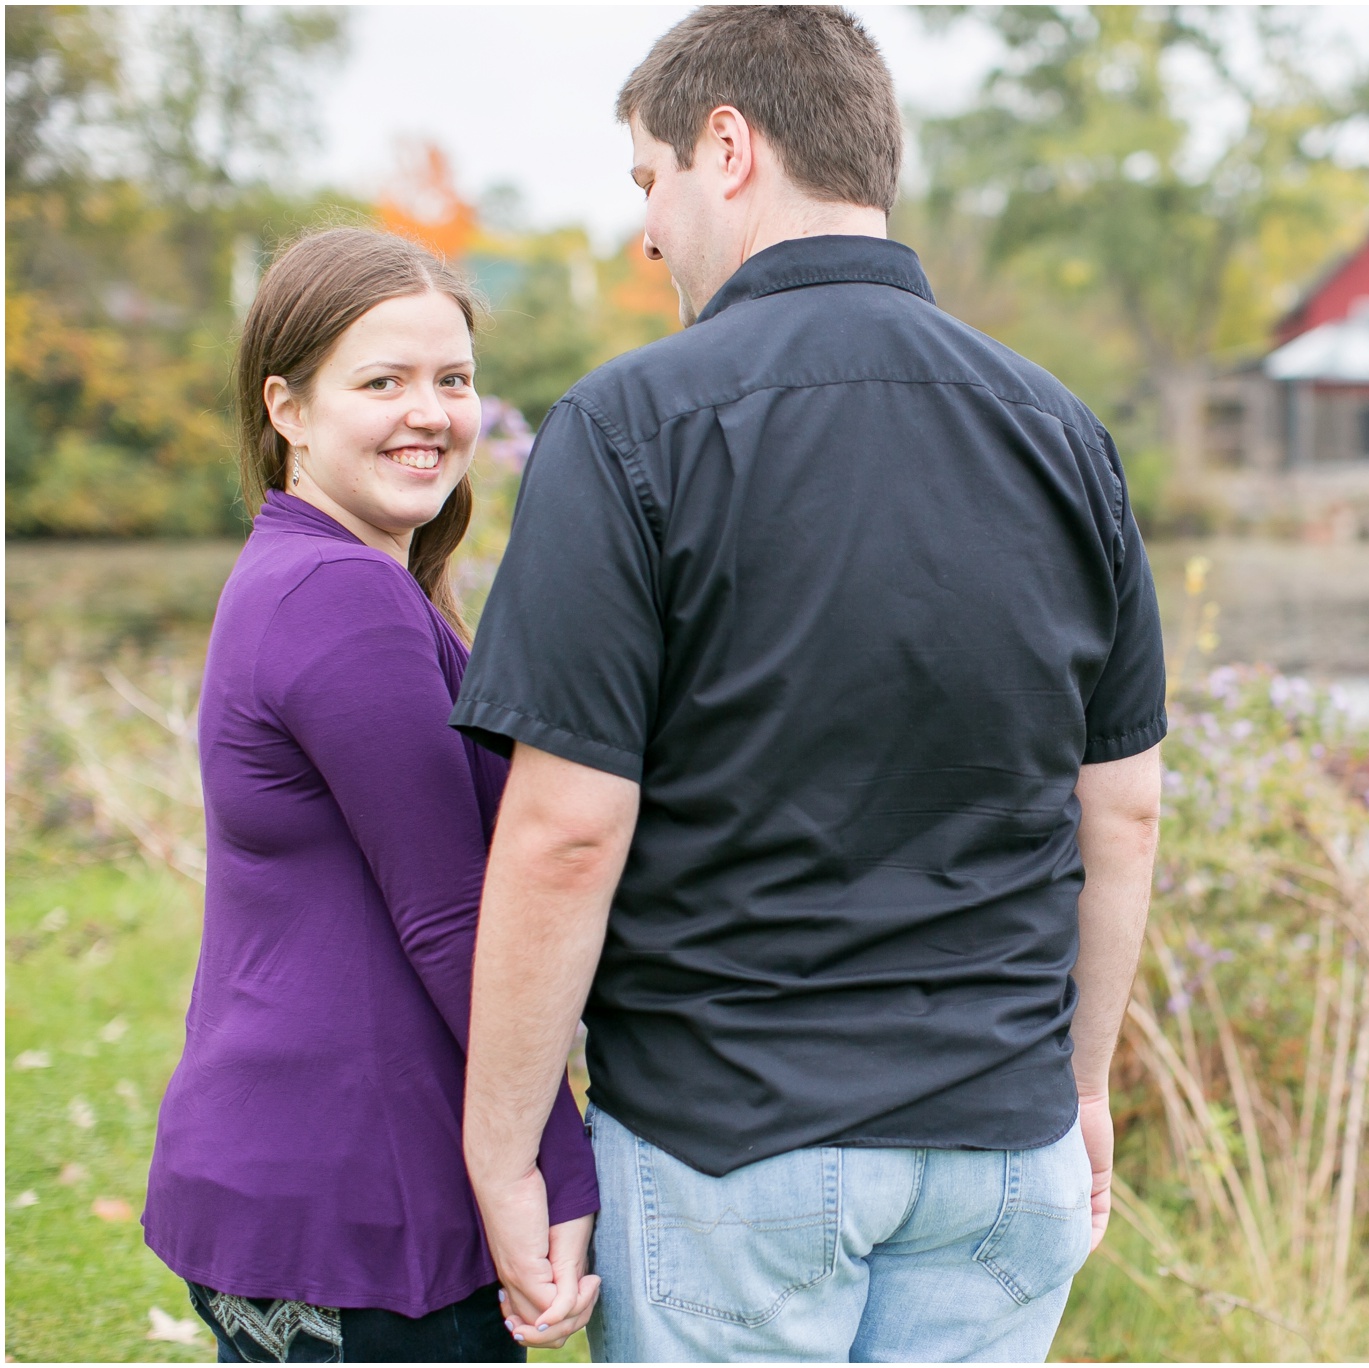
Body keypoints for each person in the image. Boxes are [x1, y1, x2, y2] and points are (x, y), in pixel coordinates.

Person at [454, 5, 1167, 1362]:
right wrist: (1081, 1091)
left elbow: (565, 831)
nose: (647, 232)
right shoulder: (1065, 434)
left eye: (647, 181)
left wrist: (504, 1147)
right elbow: (1121, 812)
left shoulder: (626, 428)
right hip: (1003, 1156)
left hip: (733, 1152)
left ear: (727, 147)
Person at [142, 227, 601, 1363]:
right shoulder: (338, 597)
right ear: (287, 408)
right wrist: (555, 1159)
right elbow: (450, 915)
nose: (431, 413)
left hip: (304, 1173)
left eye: (452, 379)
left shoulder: (322, 572)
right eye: (381, 381)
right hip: (349, 1197)